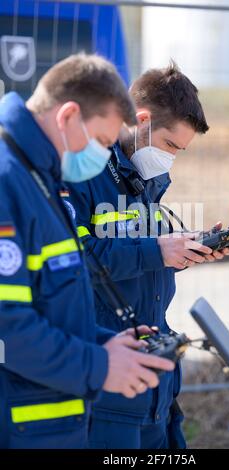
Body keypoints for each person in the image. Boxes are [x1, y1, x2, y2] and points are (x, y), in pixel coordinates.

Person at [0, 53, 174, 449]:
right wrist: (100, 365)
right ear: (68, 116)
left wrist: (101, 342)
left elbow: (47, 303)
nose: (100, 156)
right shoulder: (8, 182)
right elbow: (6, 330)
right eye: (100, 141)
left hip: (51, 424)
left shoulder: (40, 179)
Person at [66, 61, 229, 450]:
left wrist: (186, 246)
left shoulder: (144, 177)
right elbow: (77, 259)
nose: (172, 158)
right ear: (139, 120)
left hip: (154, 381)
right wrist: (158, 250)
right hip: (108, 378)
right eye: (170, 145)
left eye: (181, 151)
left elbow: (141, 252)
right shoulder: (81, 172)